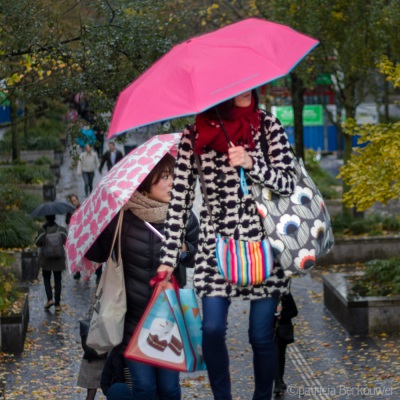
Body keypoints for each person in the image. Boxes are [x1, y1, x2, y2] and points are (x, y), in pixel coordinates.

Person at [158, 89, 297, 400]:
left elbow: (288, 182)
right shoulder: (194, 135)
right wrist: (168, 257)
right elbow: (179, 200)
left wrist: (251, 162)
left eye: (250, 85)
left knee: (261, 336)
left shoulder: (268, 127)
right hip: (214, 246)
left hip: (263, 245)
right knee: (212, 330)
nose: (246, 91)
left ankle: (262, 396)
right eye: (238, 87)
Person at [85, 153, 199, 400]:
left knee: (169, 389)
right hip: (133, 319)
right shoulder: (123, 216)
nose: (173, 183)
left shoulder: (184, 216)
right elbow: (97, 254)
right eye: (165, 177)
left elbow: (196, 256)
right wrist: (99, 224)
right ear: (146, 182)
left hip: (168, 318)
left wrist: (184, 250)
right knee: (144, 388)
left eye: (175, 177)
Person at [34, 215, 68, 312]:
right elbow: (66, 240)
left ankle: (49, 300)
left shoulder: (43, 231)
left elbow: (37, 242)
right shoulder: (61, 230)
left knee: (46, 279)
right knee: (58, 281)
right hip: (59, 259)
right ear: (55, 218)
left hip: (46, 259)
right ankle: (57, 304)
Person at [273, 291, 298, 395]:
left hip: (282, 331)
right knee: (274, 355)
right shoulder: (265, 294)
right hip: (269, 331)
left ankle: (279, 380)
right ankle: (278, 381)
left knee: (280, 355)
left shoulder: (285, 295)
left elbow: (294, 311)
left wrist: (281, 315)